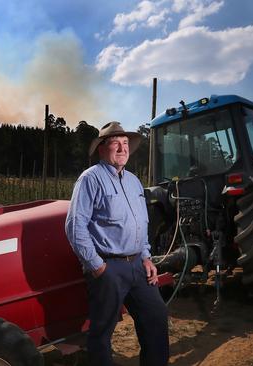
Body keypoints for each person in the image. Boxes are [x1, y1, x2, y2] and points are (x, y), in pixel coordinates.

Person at [65, 121, 169, 366]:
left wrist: (146, 256)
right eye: (115, 143)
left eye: (125, 144)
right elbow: (74, 226)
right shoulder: (90, 179)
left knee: (156, 316)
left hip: (137, 265)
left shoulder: (133, 181)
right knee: (103, 331)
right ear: (102, 148)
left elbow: (141, 223)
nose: (122, 148)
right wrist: (98, 267)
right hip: (108, 267)